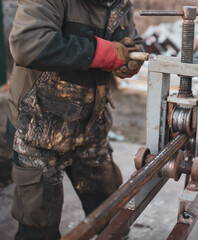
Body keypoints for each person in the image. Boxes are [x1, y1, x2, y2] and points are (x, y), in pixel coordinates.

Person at [5, 0, 143, 239]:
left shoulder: (120, 4)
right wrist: (105, 54)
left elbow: (132, 41)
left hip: (90, 129)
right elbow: (27, 44)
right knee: (39, 227)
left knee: (111, 217)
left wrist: (130, 60)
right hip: (38, 130)